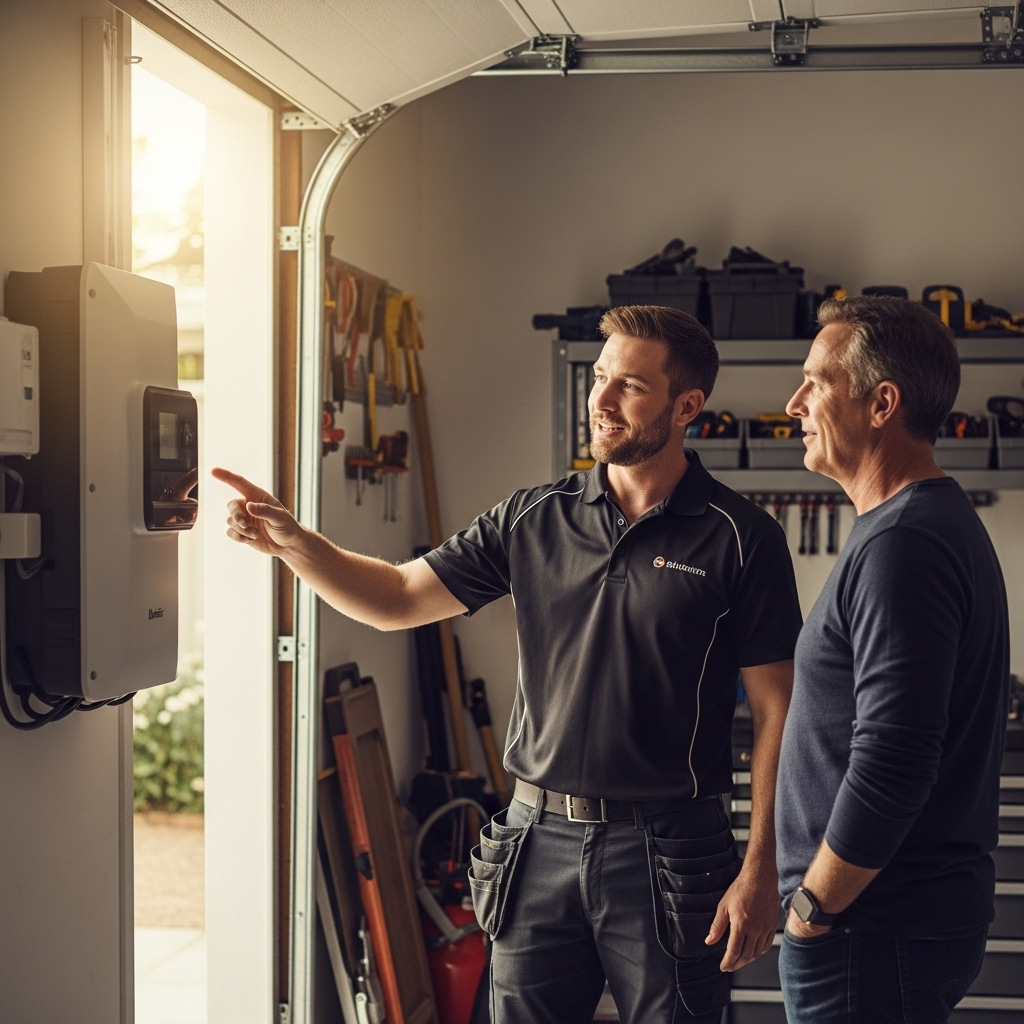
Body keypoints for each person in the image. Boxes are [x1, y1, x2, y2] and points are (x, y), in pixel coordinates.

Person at [214, 305, 803, 1024]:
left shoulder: (741, 539)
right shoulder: (533, 519)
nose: (602, 400)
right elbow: (397, 597)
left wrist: (762, 869)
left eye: (631, 386)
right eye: (599, 376)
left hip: (670, 850)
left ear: (687, 407)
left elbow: (780, 710)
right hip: (535, 840)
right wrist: (294, 543)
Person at [776, 296, 1009, 1023]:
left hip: (869, 933)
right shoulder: (916, 525)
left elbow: (895, 757)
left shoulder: (902, 544)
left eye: (817, 382)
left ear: (882, 404)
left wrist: (813, 907)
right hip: (885, 928)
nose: (794, 403)